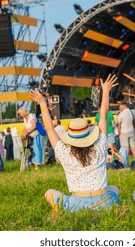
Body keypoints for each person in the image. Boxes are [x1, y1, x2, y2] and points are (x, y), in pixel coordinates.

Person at [29, 74, 119, 213]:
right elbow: (103, 116)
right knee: (114, 189)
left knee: (49, 193)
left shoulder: (64, 153)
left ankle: (64, 210)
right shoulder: (100, 146)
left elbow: (49, 128)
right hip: (104, 202)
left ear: (71, 137)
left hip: (77, 204)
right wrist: (105, 91)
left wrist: (42, 103)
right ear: (88, 135)